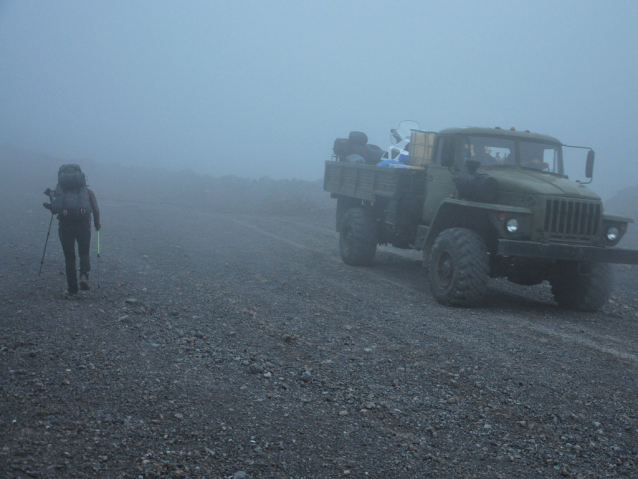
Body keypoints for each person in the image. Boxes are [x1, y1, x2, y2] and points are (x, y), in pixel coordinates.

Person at [43, 165, 101, 299]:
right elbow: (95, 208)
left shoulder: (59, 191)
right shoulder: (87, 191)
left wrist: (50, 203)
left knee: (70, 258)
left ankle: (72, 290)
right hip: (83, 225)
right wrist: (97, 224)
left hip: (65, 226)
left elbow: (55, 209)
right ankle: (84, 275)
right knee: (84, 252)